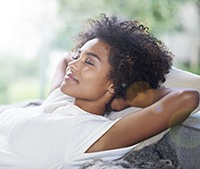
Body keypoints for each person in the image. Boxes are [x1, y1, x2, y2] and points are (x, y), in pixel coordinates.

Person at [0, 14, 199, 169]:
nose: (75, 64)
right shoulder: (61, 99)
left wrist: (127, 97)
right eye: (79, 55)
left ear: (114, 84)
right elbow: (64, 60)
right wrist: (83, 58)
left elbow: (187, 98)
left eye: (89, 62)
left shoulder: (92, 133)